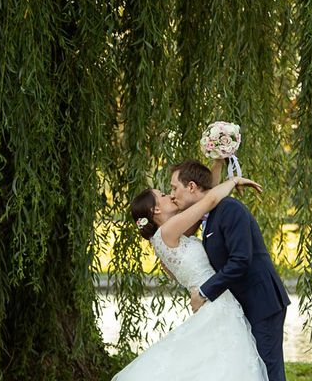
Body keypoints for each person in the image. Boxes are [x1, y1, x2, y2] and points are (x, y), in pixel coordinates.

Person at [112, 175, 268, 381]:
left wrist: (218, 164)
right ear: (155, 210)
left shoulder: (167, 235)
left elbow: (202, 195)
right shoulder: (169, 230)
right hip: (216, 302)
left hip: (212, 300)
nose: (170, 196)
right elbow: (209, 201)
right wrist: (234, 181)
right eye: (163, 195)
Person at [170, 160, 290, 381]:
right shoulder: (209, 216)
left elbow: (241, 260)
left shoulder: (229, 209)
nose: (172, 195)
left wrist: (204, 293)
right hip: (244, 303)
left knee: (268, 371)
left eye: (174, 187)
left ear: (192, 187)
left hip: (262, 302)